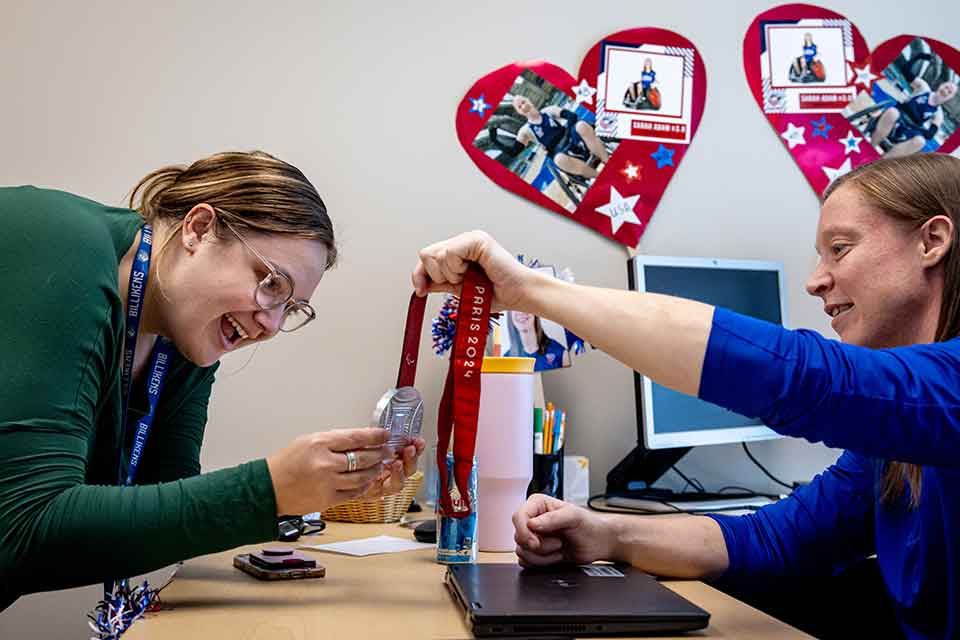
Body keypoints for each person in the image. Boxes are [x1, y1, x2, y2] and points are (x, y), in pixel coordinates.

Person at [413, 153, 960, 639]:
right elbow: (779, 539)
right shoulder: (896, 441)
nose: (815, 281)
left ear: (932, 241)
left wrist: (531, 291)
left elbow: (805, 379)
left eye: (839, 250)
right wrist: (604, 533)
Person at [0, 151, 425, 610]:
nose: (272, 324)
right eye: (271, 284)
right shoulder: (59, 244)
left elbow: (165, 507)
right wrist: (269, 489)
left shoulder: (181, 340)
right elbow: (22, 529)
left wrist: (319, 491)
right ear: (198, 229)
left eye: (291, 307)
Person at [511, 95, 610, 180]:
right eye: (520, 107)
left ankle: (608, 163)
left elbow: (571, 116)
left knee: (581, 125)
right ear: (519, 112)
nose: (523, 107)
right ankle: (600, 177)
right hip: (558, 151)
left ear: (529, 100)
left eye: (523, 102)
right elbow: (514, 151)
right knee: (559, 159)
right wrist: (496, 140)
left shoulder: (548, 111)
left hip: (569, 137)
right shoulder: (525, 130)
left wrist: (570, 132)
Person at [870, 78, 958, 158]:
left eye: (949, 92)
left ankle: (881, 160)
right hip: (898, 115)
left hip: (909, 128)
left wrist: (919, 129)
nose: (945, 91)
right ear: (941, 85)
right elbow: (907, 72)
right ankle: (871, 147)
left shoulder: (938, 114)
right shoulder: (923, 88)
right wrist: (918, 59)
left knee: (920, 141)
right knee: (893, 113)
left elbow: (930, 134)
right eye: (946, 87)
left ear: (950, 98)